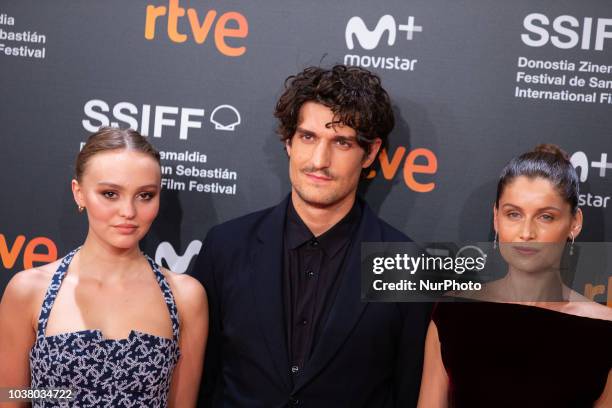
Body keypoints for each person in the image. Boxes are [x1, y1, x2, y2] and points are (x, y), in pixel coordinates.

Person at [194, 65, 431, 407]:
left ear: (371, 152)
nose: (320, 160)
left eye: (342, 142)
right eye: (308, 137)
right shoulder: (225, 247)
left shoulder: (406, 265)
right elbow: (200, 379)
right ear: (288, 141)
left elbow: (409, 392)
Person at [0, 127, 208, 407]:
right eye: (110, 194)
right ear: (79, 193)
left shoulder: (185, 296)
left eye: (145, 195)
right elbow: (11, 397)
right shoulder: (29, 290)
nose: (128, 212)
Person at [418, 144, 612, 408]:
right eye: (513, 214)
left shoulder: (604, 332)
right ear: (496, 218)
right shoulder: (452, 314)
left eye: (545, 217)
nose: (526, 233)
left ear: (574, 222)